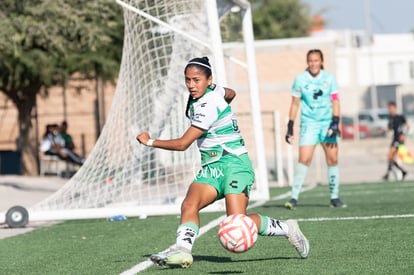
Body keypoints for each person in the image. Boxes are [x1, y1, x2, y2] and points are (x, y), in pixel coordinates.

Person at [136, 57, 309, 269]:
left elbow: (183, 144)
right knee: (189, 204)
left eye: (197, 80)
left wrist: (150, 141)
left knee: (237, 221)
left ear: (209, 80)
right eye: (188, 80)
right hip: (212, 167)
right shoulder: (210, 93)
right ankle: (182, 251)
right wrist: (219, 96)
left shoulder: (209, 103)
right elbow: (231, 93)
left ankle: (287, 228)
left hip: (235, 164)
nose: (191, 85)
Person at [284, 49, 346, 209]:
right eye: (310, 61)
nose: (313, 64)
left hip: (327, 124)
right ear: (307, 62)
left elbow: (335, 101)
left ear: (321, 62)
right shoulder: (300, 79)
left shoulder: (329, 78)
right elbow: (295, 103)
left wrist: (335, 122)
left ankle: (334, 197)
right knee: (304, 159)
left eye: (316, 60)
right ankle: (293, 198)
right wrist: (290, 125)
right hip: (309, 124)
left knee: (332, 159)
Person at [382, 101, 409, 181]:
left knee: (390, 156)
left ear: (395, 108)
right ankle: (402, 171)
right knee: (390, 157)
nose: (390, 110)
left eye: (391, 108)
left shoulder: (400, 117)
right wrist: (382, 130)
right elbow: (389, 128)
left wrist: (404, 134)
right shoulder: (391, 118)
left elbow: (407, 126)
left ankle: (388, 174)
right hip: (394, 139)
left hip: (398, 140)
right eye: (389, 108)